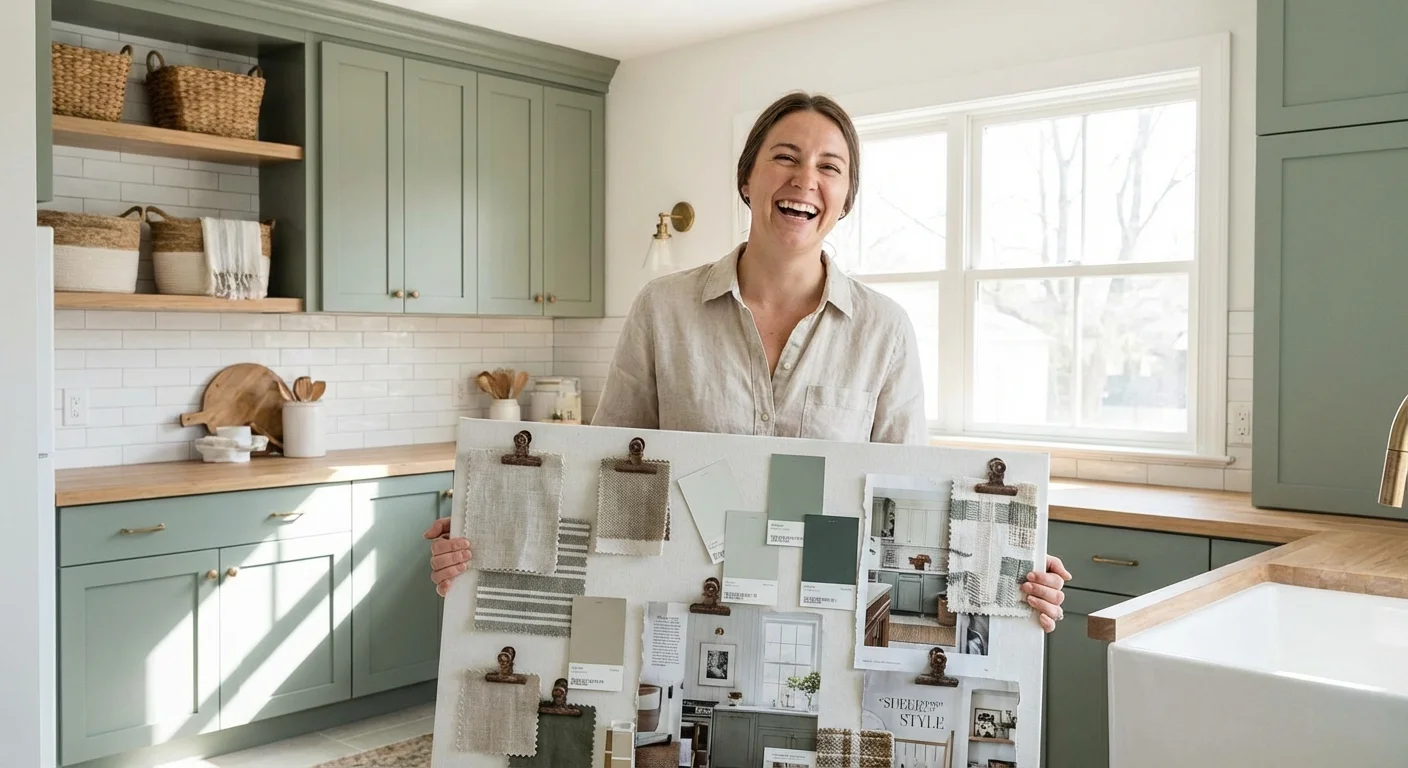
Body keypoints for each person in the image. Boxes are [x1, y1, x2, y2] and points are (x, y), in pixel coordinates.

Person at [423, 91, 1073, 630]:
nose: (804, 180)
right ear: (747, 178)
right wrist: (492, 528)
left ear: (845, 199)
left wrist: (1009, 573)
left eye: (829, 167)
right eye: (784, 158)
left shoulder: (886, 330)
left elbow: (913, 504)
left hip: (826, 620)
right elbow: (607, 473)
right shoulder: (663, 308)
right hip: (675, 607)